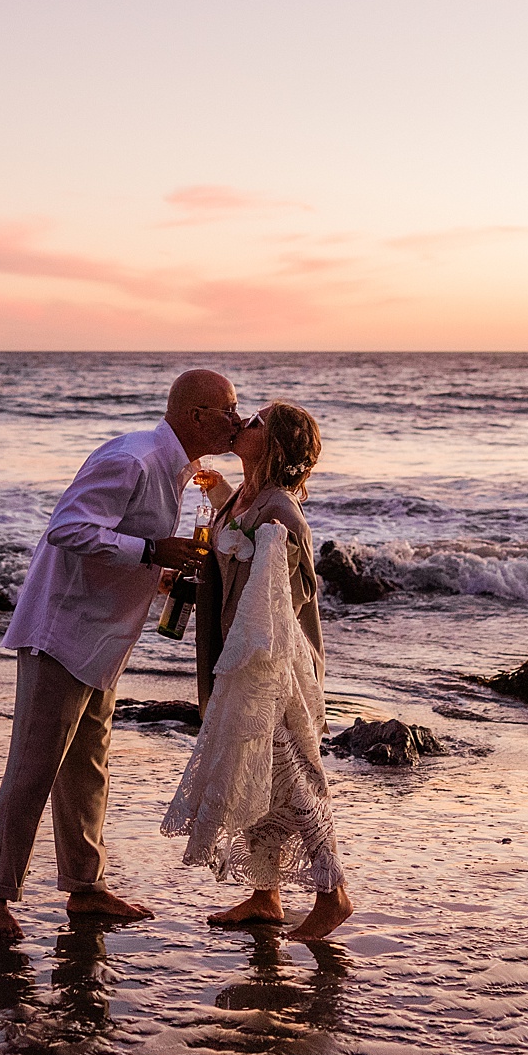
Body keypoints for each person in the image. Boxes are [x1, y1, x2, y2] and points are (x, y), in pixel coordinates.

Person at [0, 368, 246, 941]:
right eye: (228, 409)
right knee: (33, 768)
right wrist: (152, 550)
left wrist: (162, 573)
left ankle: (86, 888)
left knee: (87, 767)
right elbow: (68, 529)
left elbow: (118, 546)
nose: (236, 419)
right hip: (63, 634)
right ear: (195, 416)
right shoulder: (133, 459)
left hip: (103, 639)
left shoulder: (178, 472)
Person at [161, 401, 354, 941]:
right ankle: (266, 895)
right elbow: (233, 547)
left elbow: (278, 601)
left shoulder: (280, 514)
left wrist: (249, 671)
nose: (244, 421)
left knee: (293, 775)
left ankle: (332, 890)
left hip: (272, 663)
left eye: (258, 421)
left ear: (274, 446)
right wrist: (220, 496)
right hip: (243, 651)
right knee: (260, 776)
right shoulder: (250, 499)